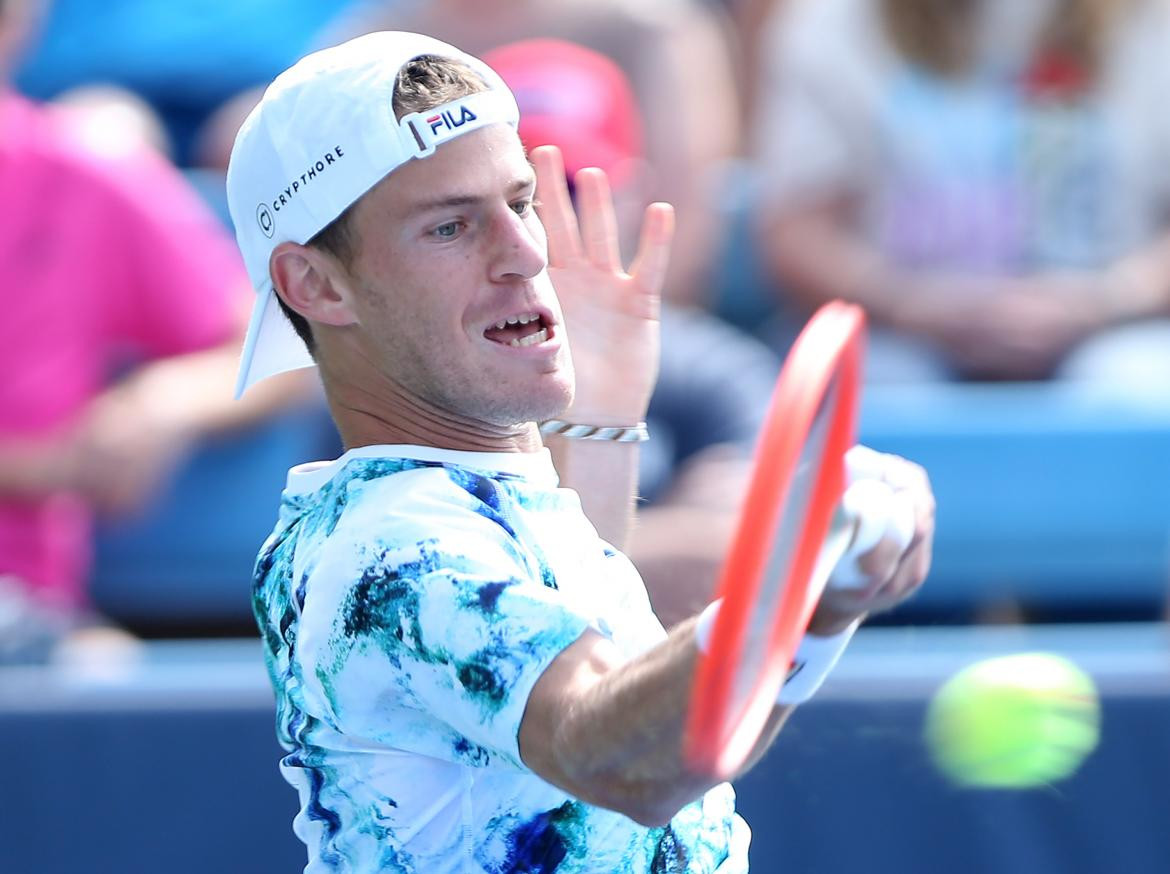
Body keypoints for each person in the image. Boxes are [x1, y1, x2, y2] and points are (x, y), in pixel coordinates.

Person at [230, 31, 934, 871]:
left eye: (520, 201)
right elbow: (615, 756)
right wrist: (796, 588)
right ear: (316, 285)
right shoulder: (393, 543)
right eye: (451, 227)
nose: (527, 253)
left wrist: (599, 423)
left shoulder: (457, 507)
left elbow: (646, 718)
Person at [0, 0, 309, 656]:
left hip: (25, 613)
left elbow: (278, 343)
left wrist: (164, 404)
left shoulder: (79, 169)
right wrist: (38, 465)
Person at [481, 37, 783, 629]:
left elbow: (731, 563)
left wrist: (494, 563)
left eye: (572, 191)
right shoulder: (415, 361)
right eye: (517, 200)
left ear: (632, 194)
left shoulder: (719, 369)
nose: (540, 229)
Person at [753, 0, 1170, 383]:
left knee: (1129, 386)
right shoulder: (834, 23)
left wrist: (1106, 300)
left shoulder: (1151, 21)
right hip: (896, 328)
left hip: (1114, 326)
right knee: (879, 386)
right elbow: (798, 231)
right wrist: (914, 305)